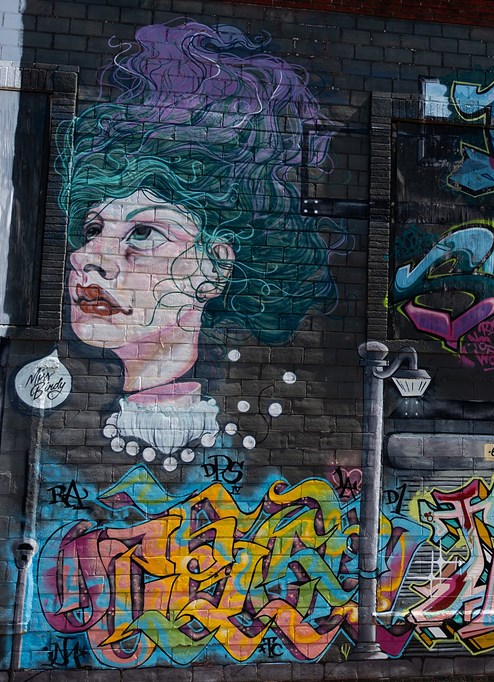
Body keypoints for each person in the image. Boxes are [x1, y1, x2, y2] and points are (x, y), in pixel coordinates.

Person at [62, 20, 337, 470]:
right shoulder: (45, 417)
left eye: (144, 233)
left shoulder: (280, 445)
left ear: (215, 268)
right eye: (94, 229)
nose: (86, 257)